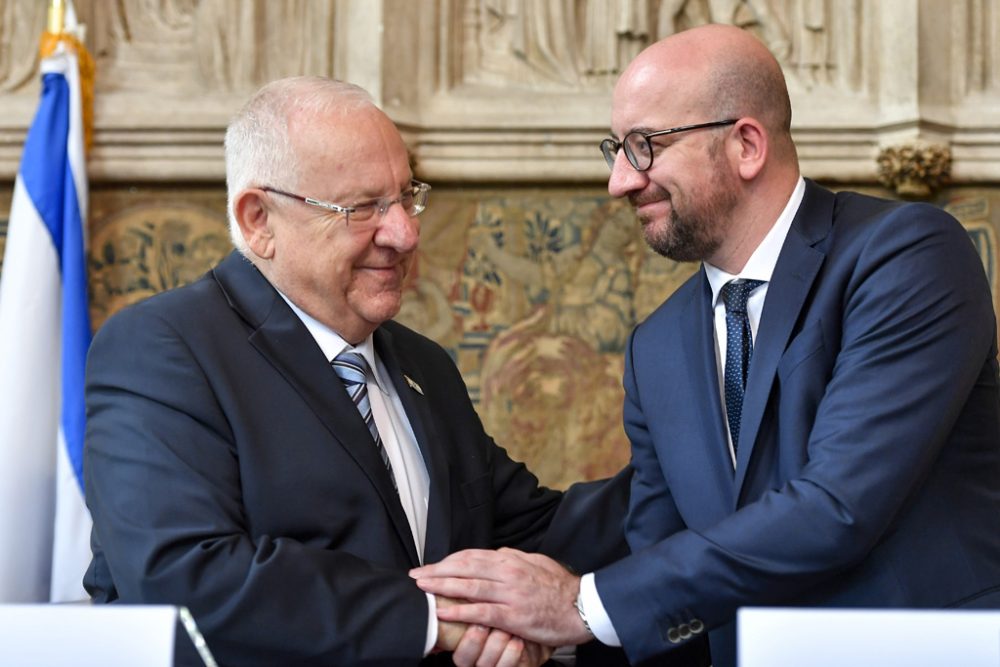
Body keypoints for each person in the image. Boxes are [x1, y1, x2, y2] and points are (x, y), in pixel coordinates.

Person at [410, 22, 1000, 667]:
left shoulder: (903, 253)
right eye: (616, 150)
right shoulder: (655, 345)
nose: (620, 182)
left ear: (746, 145)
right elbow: (660, 554)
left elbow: (839, 506)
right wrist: (541, 638)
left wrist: (581, 606)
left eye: (645, 146)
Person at [83, 76, 629, 667]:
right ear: (259, 219)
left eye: (407, 196)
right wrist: (434, 619)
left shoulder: (422, 364)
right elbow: (184, 577)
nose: (405, 232)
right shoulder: (165, 349)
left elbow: (526, 529)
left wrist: (703, 489)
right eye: (364, 207)